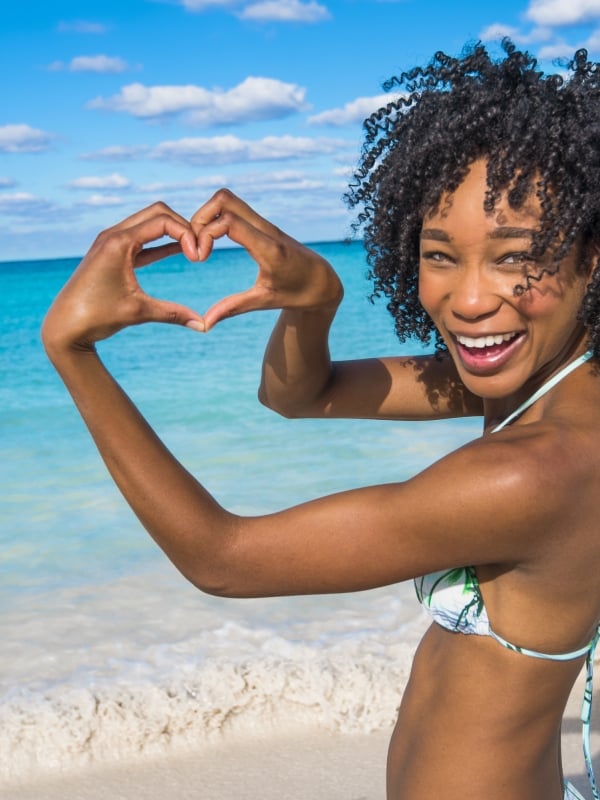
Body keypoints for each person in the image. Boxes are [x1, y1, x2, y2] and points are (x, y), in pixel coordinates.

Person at [41, 39, 600, 800]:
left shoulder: (534, 471)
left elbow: (224, 559)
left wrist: (72, 352)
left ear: (591, 259)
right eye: (440, 255)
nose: (469, 300)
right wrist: (316, 301)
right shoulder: (545, 389)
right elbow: (301, 395)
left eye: (515, 258)